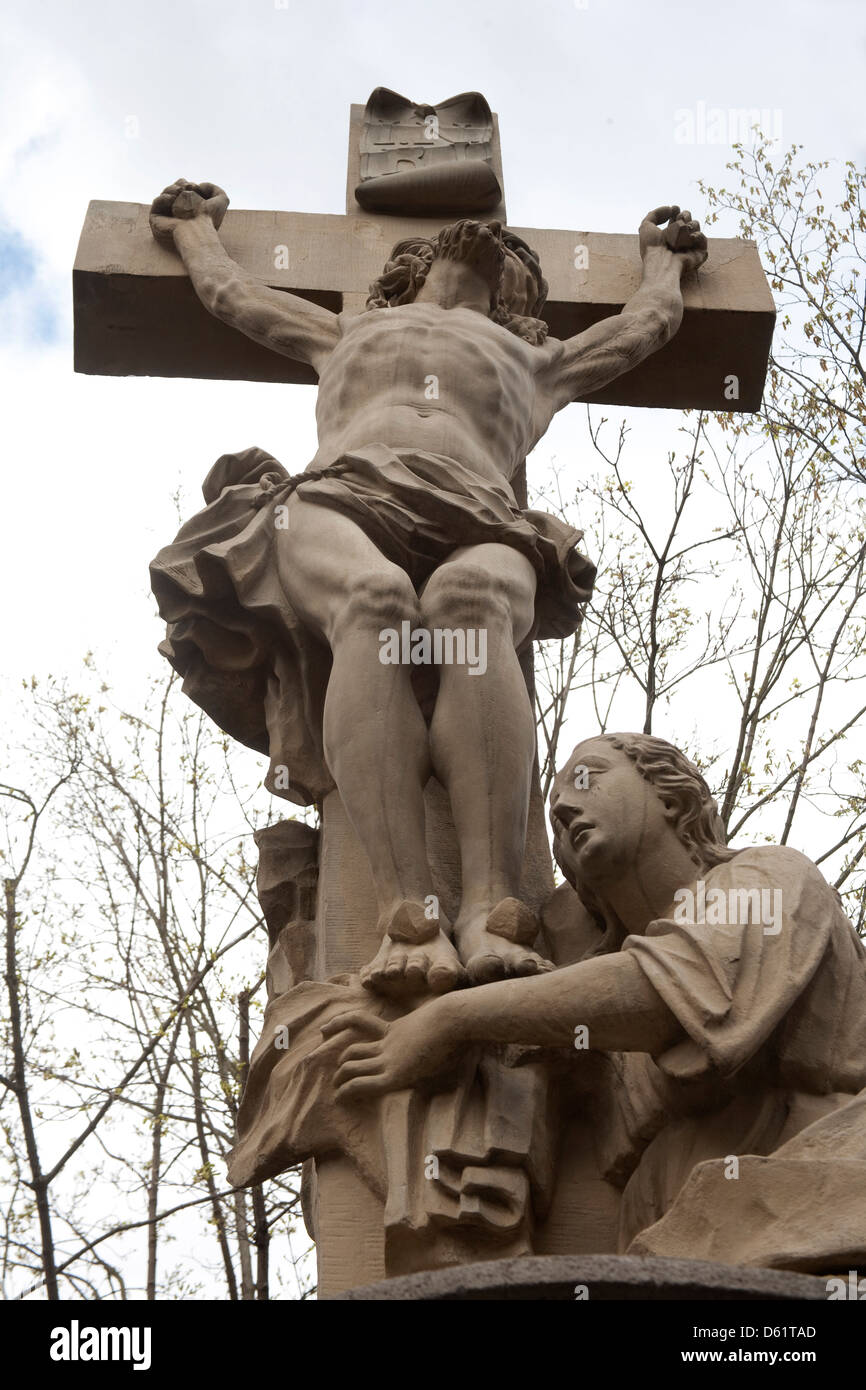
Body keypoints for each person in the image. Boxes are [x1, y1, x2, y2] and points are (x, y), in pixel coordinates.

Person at [149, 178, 707, 997]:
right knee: (375, 604)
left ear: (519, 293)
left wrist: (664, 265)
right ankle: (406, 914)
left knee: (472, 613)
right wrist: (193, 229)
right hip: (340, 496)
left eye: (511, 258)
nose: (485, 243)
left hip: (481, 511)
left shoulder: (538, 360)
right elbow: (232, 294)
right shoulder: (343, 332)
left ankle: (489, 908)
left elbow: (644, 328)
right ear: (409, 269)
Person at [329, 733, 866, 1266]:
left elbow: (670, 994)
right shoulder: (590, 1020)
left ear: (671, 797)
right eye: (555, 817)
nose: (562, 806)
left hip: (819, 1207)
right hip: (668, 1247)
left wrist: (452, 1018)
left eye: (588, 777)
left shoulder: (769, 881)